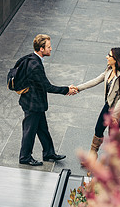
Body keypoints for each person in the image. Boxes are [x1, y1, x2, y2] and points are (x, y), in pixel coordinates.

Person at [19, 34, 78, 166]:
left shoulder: (33, 58)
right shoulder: (36, 66)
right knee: (29, 131)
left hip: (35, 103)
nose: (51, 49)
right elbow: (47, 87)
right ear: (41, 49)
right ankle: (25, 157)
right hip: (32, 105)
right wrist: (66, 89)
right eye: (48, 47)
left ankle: (48, 152)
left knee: (42, 129)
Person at [76, 47, 120, 164]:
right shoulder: (109, 70)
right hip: (108, 105)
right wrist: (78, 88)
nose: (107, 57)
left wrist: (115, 115)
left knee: (112, 137)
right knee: (98, 129)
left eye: (109, 55)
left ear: (116, 59)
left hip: (117, 110)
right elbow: (96, 80)